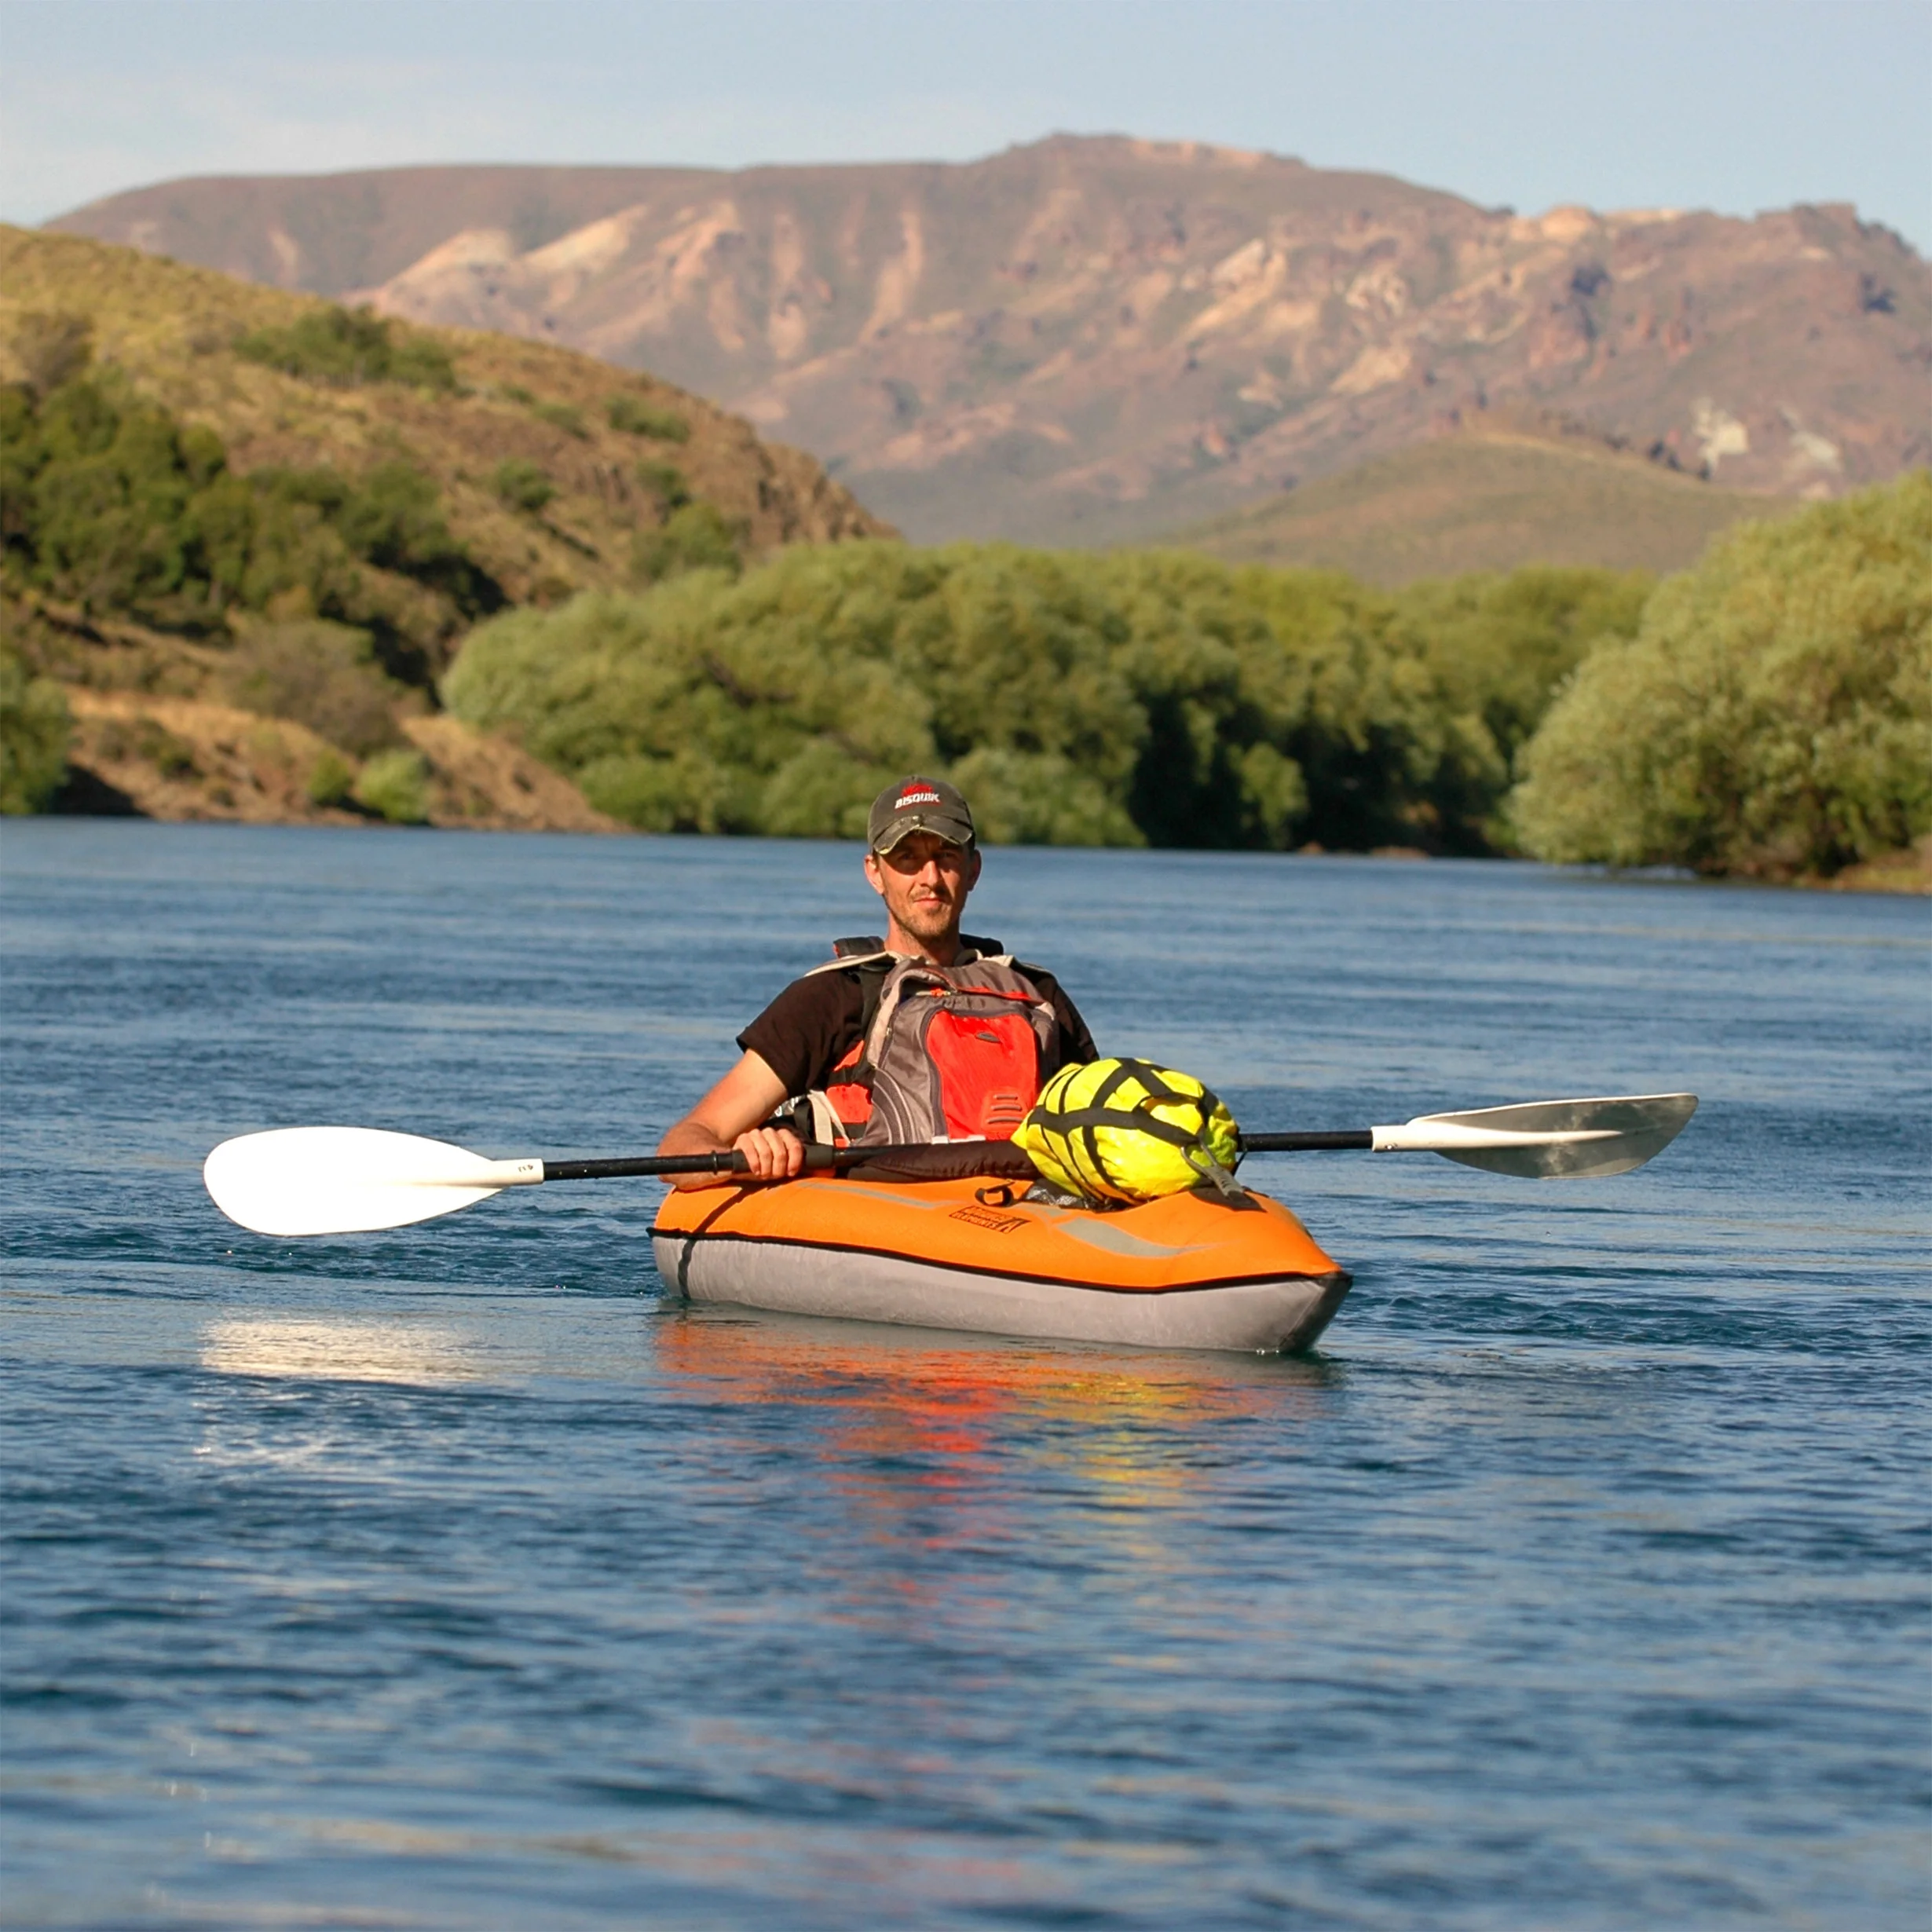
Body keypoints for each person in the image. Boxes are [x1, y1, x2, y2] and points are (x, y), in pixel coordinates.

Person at [659, 776, 1097, 1187]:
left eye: (945, 856)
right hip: (884, 1225)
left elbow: (1102, 1127)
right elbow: (686, 1144)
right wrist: (754, 1154)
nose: (929, 878)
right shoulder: (836, 995)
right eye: (908, 858)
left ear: (974, 869)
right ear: (874, 872)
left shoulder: (1036, 993)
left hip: (1021, 1218)